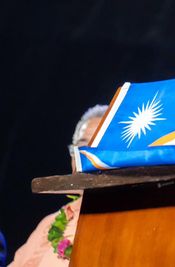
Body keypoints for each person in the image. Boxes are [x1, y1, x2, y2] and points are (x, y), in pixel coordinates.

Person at [10, 105, 108, 267]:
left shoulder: (135, 220)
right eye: (80, 148)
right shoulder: (51, 223)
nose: (86, 157)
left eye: (97, 148)